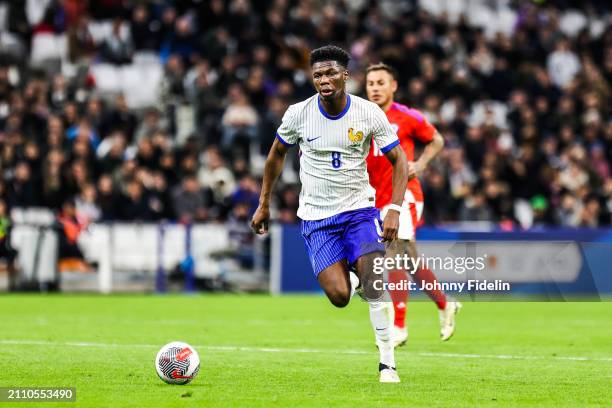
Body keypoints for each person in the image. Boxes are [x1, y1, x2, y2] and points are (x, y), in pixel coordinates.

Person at [251, 46, 409, 383]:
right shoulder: (298, 114)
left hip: (359, 212)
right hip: (317, 220)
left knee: (375, 283)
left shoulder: (368, 114)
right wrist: (264, 203)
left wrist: (393, 209)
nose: (324, 80)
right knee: (339, 297)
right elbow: (276, 155)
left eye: (330, 73)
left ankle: (387, 363)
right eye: (318, 75)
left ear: (345, 75)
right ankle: (355, 279)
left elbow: (400, 161)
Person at [365, 63, 461, 345]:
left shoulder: (406, 116)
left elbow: (437, 140)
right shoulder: (360, 117)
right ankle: (445, 304)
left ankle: (399, 327)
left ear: (393, 86)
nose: (375, 88)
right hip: (376, 197)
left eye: (381, 82)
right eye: (371, 83)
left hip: (405, 194)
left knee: (394, 250)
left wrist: (421, 163)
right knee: (408, 260)